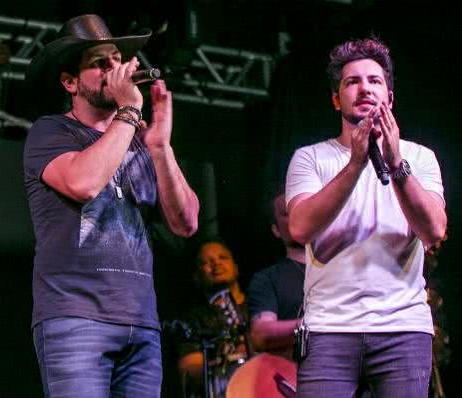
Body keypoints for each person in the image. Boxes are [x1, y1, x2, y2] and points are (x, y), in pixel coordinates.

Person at [23, 14, 200, 397]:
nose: (114, 69)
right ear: (70, 82)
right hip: (75, 319)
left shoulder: (140, 141)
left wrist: (160, 148)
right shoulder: (51, 132)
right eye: (99, 63)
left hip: (141, 323)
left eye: (117, 59)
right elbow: (83, 184)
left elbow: (186, 222)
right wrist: (130, 113)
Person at [286, 37, 446, 397]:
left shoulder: (420, 158)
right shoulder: (310, 158)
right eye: (351, 82)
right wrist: (357, 162)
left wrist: (394, 164)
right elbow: (299, 227)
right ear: (335, 98)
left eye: (374, 81)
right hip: (329, 328)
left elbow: (434, 229)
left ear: (389, 97)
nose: (364, 89)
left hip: (402, 328)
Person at [176, 239, 250, 397]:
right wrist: (233, 358)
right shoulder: (193, 319)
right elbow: (187, 367)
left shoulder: (260, 305)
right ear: (196, 276)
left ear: (236, 267)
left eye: (223, 257)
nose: (216, 263)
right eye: (206, 262)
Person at [247, 190, 305, 359]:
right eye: (287, 213)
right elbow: (261, 334)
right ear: (276, 230)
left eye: (301, 208)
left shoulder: (340, 266)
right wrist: (318, 325)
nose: (297, 215)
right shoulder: (267, 278)